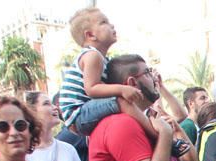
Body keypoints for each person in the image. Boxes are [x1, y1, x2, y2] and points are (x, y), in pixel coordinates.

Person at [59, 7, 150, 136]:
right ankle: (155, 133)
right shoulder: (92, 56)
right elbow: (91, 89)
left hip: (84, 113)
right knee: (121, 101)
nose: (111, 25)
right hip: (78, 114)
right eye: (104, 22)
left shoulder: (102, 59)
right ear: (90, 35)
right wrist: (122, 89)